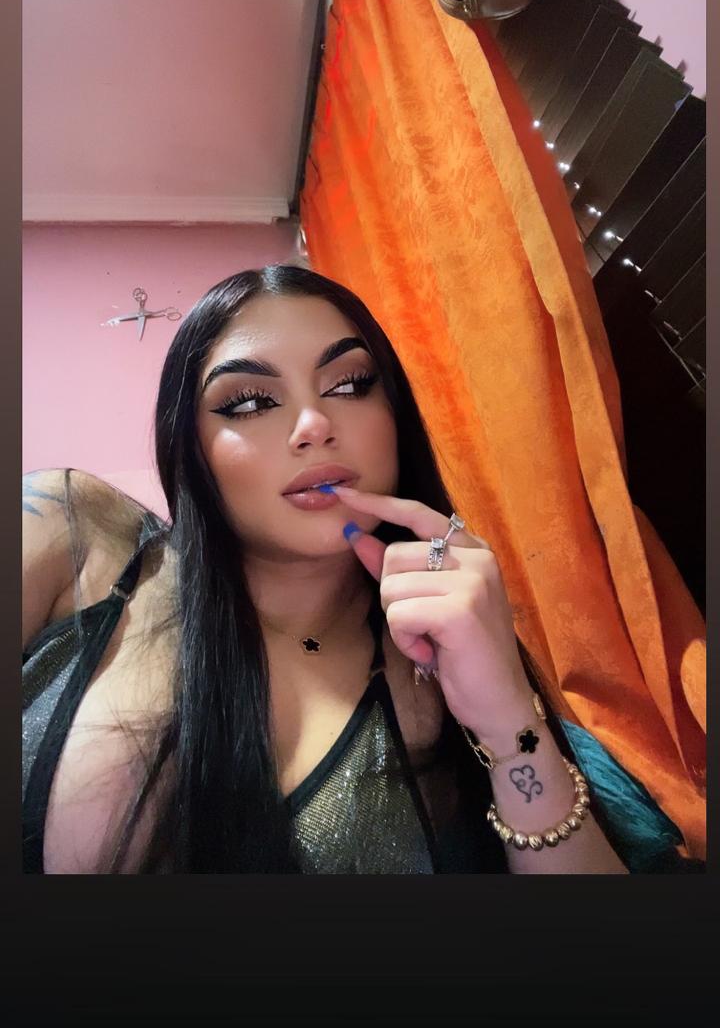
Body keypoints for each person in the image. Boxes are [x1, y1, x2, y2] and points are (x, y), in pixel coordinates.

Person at [22, 265, 700, 873]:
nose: (314, 424)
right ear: (189, 445)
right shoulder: (72, 529)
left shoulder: (427, 672)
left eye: (349, 385)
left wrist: (508, 721)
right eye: (250, 401)